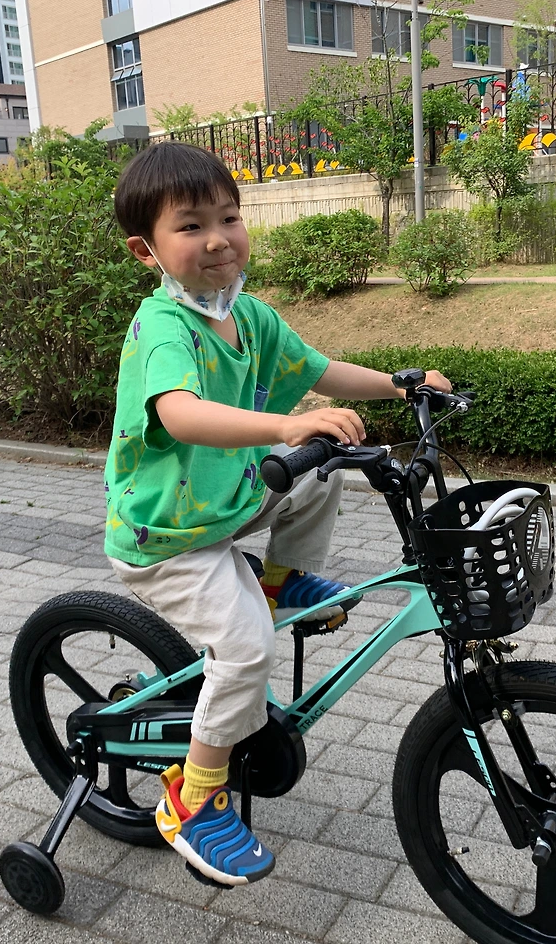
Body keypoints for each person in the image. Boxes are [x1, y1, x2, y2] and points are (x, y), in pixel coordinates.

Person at [105, 142, 449, 887]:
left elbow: (318, 371)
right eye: (190, 226)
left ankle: (278, 579)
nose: (217, 239)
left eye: (228, 217)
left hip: (225, 503)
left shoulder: (250, 317)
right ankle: (192, 799)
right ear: (146, 251)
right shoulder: (165, 327)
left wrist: (402, 384)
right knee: (246, 651)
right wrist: (288, 425)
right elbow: (182, 413)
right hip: (169, 538)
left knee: (323, 469)